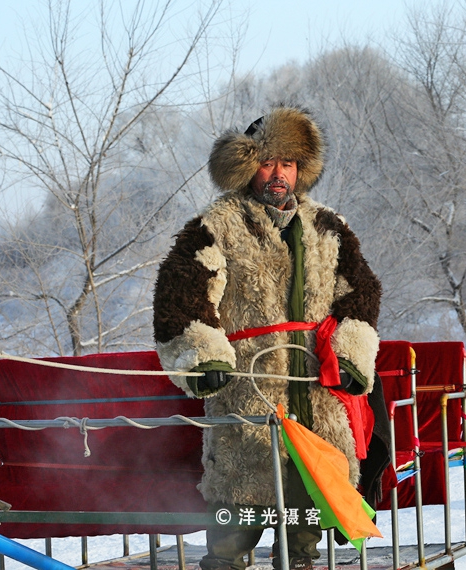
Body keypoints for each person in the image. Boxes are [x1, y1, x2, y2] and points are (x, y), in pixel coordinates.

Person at [152, 106, 382, 570]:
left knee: (305, 512)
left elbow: (358, 294)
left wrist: (353, 353)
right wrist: (203, 359)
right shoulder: (216, 227)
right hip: (246, 388)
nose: (279, 174)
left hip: (316, 391)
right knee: (235, 513)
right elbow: (182, 297)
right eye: (268, 162)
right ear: (247, 165)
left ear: (302, 170)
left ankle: (302, 559)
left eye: (289, 163)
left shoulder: (329, 228)